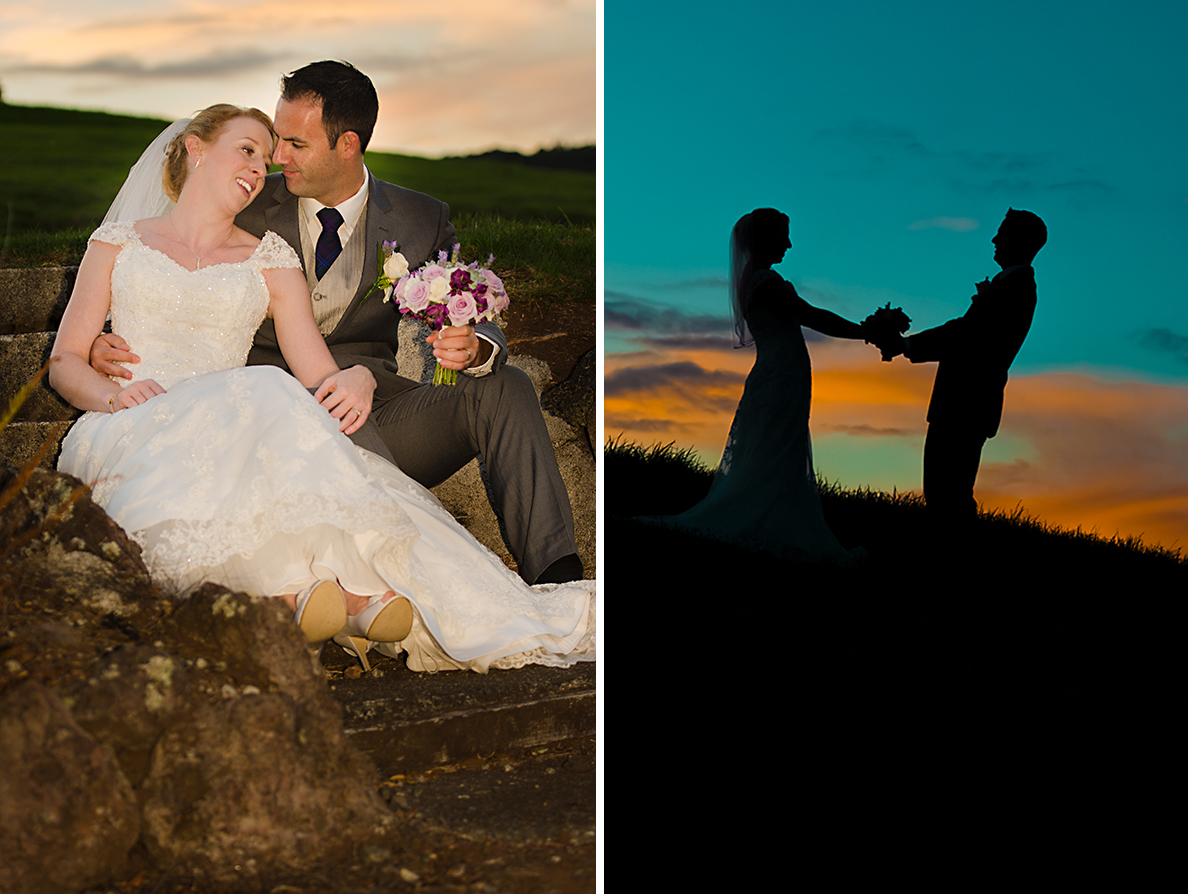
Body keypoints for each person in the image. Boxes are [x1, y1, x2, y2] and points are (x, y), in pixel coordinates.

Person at [50, 104, 594, 675]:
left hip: (252, 412)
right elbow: (64, 358)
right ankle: (322, 601)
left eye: (270, 156)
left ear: (349, 144)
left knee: (269, 402)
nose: (265, 167)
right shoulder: (117, 242)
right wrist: (109, 388)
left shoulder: (268, 257)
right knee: (252, 420)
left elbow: (315, 368)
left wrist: (355, 375)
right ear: (195, 148)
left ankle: (336, 599)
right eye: (250, 151)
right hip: (136, 415)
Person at [643, 208, 866, 563]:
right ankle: (767, 523)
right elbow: (812, 316)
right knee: (777, 448)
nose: (789, 244)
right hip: (780, 375)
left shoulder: (758, 279)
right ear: (764, 238)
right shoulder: (764, 281)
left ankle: (776, 518)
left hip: (781, 374)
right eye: (783, 236)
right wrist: (866, 331)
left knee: (778, 447)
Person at [871, 208, 1046, 521]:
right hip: (957, 402)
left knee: (951, 498)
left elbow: (965, 335)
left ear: (1019, 241)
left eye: (1002, 233)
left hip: (968, 402)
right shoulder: (1010, 286)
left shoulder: (1018, 289)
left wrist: (906, 345)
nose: (994, 239)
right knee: (942, 495)